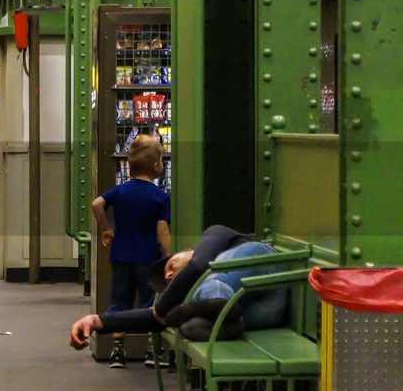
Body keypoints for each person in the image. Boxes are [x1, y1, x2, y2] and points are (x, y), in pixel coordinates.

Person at [68, 224, 290, 351]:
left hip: (265, 266)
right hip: (269, 310)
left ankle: (216, 312)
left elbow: (199, 264)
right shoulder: (199, 290)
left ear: (185, 250)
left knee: (209, 277)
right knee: (201, 305)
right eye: (168, 280)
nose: (169, 275)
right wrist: (97, 321)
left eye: (171, 265)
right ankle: (225, 320)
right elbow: (156, 319)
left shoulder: (215, 234)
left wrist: (166, 307)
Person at [91, 134, 171, 368]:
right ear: (157, 165)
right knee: (151, 305)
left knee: (119, 302)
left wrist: (106, 229)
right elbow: (162, 229)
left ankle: (117, 352)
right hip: (148, 259)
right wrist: (168, 257)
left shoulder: (121, 191)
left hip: (121, 256)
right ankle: (152, 351)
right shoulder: (160, 197)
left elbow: (97, 204)